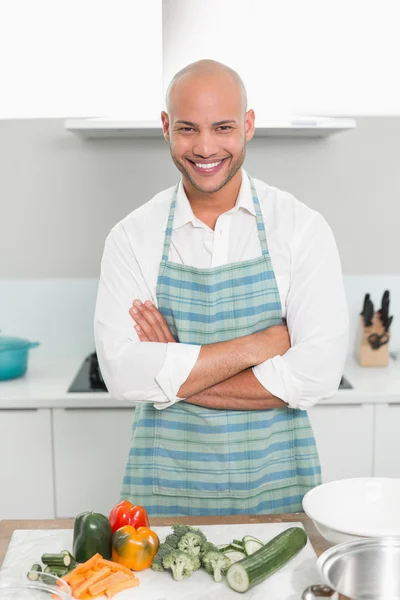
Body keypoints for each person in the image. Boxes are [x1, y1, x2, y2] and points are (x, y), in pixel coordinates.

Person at [94, 59, 349, 517]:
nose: (205, 147)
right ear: (166, 127)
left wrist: (171, 369)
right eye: (188, 128)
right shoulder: (132, 236)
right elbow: (123, 373)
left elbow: (317, 373)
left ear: (248, 126)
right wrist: (261, 345)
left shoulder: (301, 228)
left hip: (278, 483)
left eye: (223, 127)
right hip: (164, 488)